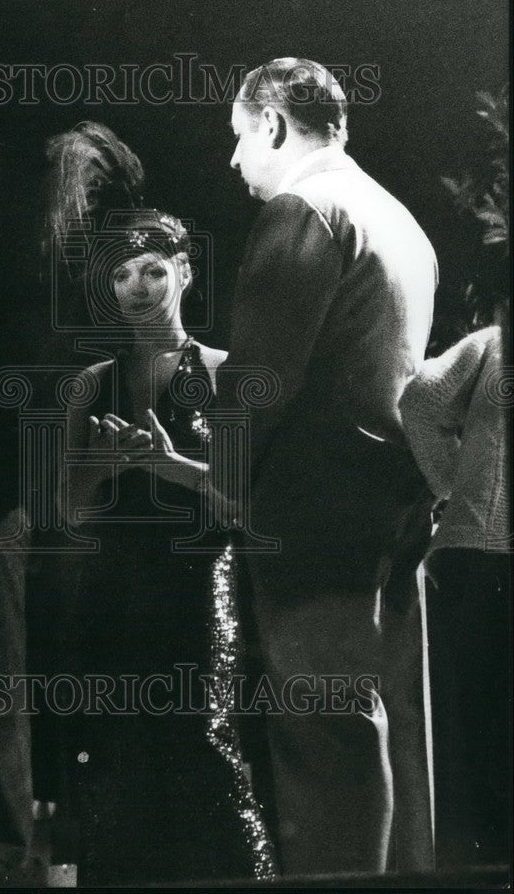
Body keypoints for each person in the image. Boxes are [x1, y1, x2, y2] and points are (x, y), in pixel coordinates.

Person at [218, 58, 438, 875]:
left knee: (320, 741)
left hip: (310, 517)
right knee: (378, 728)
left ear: (271, 126)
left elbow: (257, 386)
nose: (233, 162)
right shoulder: (398, 219)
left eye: (238, 139)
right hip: (388, 507)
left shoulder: (300, 207)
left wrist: (214, 486)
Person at [46, 122, 279, 886]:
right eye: (121, 277)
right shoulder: (89, 386)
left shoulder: (221, 371)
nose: (136, 289)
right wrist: (102, 469)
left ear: (182, 273)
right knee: (112, 761)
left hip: (195, 595)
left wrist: (169, 463)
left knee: (204, 751)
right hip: (110, 597)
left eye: (151, 271)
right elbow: (67, 515)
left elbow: (245, 508)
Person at [400, 314, 510, 867]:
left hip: (478, 553)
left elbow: (420, 401)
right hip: (482, 554)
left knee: (466, 744)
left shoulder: (496, 340)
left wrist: (454, 487)